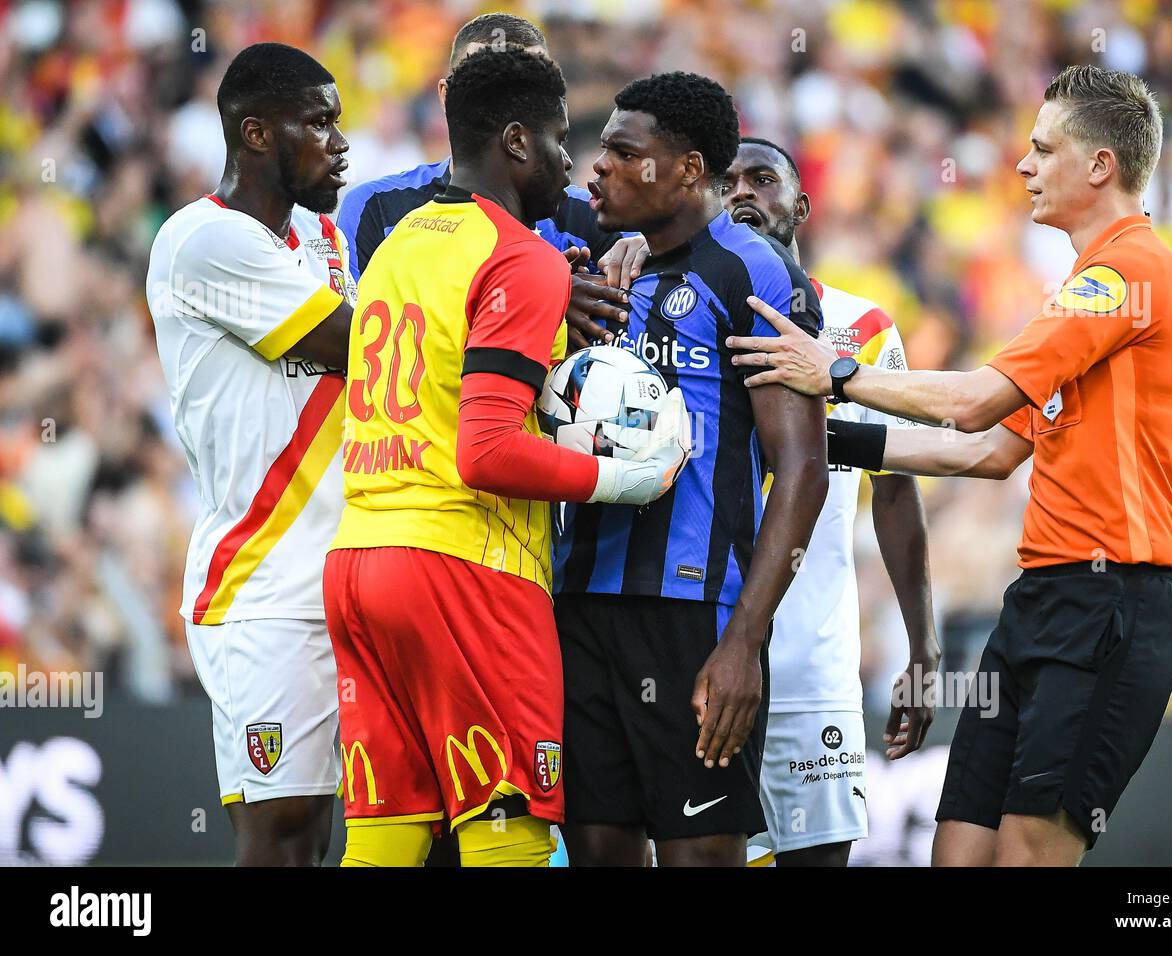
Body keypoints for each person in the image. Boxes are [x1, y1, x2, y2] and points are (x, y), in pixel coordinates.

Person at [729, 65, 1172, 867]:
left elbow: (975, 404)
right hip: (1043, 599)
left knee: (1024, 854)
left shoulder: (1131, 273)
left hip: (1112, 603)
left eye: (1042, 149)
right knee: (959, 852)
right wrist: (817, 437)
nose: (1021, 165)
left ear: (1099, 167)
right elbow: (986, 453)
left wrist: (834, 374)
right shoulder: (1085, 286)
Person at [323, 47, 689, 868]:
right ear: (518, 142)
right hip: (465, 566)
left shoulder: (399, 241)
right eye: (562, 140)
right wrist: (618, 478)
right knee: (509, 830)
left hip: (357, 560)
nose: (573, 163)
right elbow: (486, 451)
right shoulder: (520, 256)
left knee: (385, 834)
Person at [553, 72, 829, 867]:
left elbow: (802, 468)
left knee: (698, 857)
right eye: (599, 150)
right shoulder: (596, 266)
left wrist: (745, 640)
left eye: (623, 153)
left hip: (696, 615)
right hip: (579, 604)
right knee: (598, 850)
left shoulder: (755, 273)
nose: (596, 167)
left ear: (687, 169)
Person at [145, 42, 355, 865]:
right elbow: (363, 343)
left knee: (368, 830)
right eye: (320, 123)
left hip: (354, 572)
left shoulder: (329, 238)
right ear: (257, 133)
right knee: (286, 835)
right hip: (263, 584)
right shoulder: (201, 241)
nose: (340, 142)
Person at [720, 138, 939, 867]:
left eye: (761, 179)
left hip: (814, 664)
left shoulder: (861, 327)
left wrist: (923, 643)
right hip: (701, 653)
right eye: (727, 181)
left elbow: (898, 490)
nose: (741, 192)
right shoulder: (675, 308)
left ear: (801, 206)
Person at [337, 12, 636, 352]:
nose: (510, 107)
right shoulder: (376, 208)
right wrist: (543, 300)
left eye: (530, 89)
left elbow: (663, 294)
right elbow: (359, 337)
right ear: (447, 95)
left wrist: (650, 246)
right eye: (487, 88)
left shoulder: (593, 215)